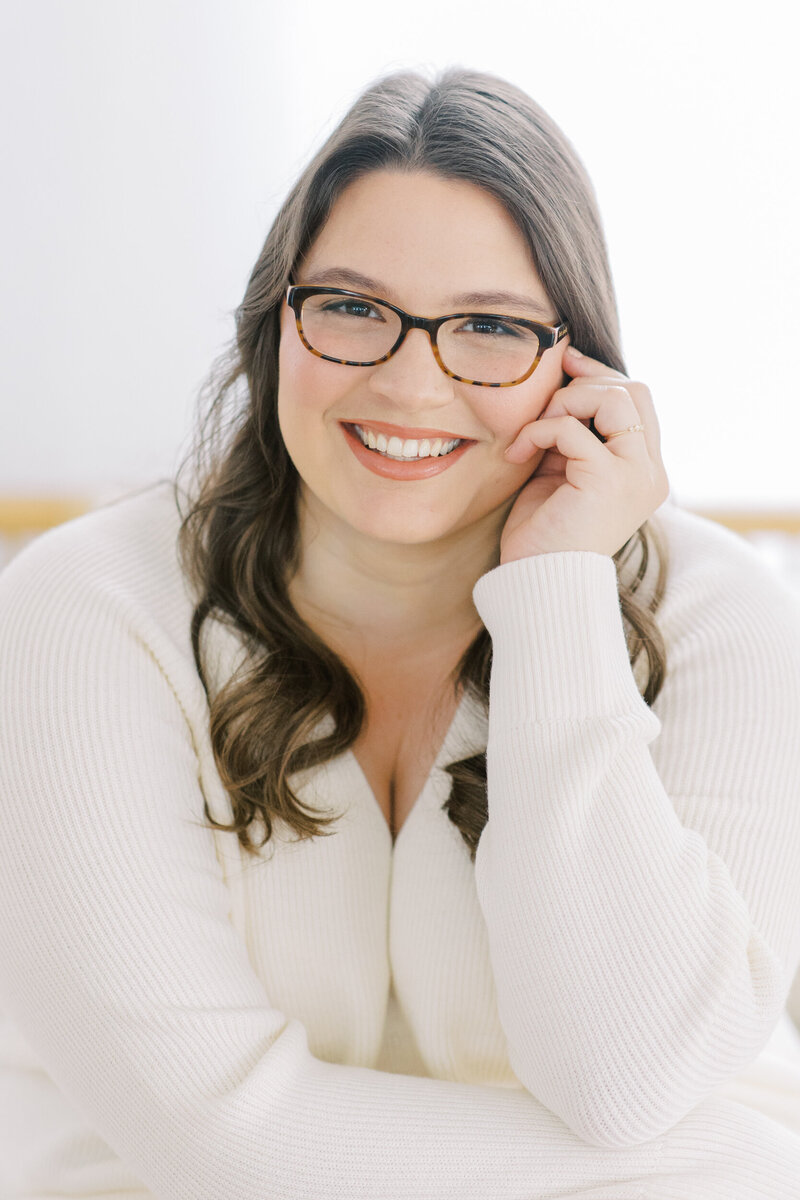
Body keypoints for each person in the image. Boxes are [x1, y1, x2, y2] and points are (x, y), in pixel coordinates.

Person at [1, 67, 799, 1200]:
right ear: (275, 320)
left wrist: (559, 595)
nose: (412, 383)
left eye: (488, 327)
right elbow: (212, 1137)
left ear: (575, 366)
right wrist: (722, 1169)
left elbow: (626, 1077)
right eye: (353, 308)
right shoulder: (85, 609)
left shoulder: (722, 620)